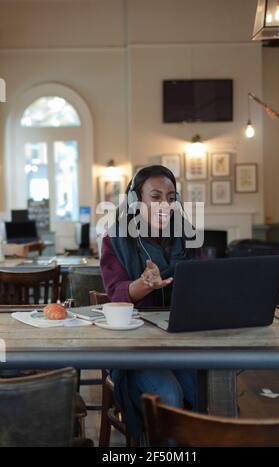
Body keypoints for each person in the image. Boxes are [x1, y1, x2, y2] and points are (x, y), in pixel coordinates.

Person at [100, 165, 204, 441]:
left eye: (171, 197)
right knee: (168, 393)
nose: (165, 204)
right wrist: (144, 284)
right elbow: (116, 293)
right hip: (134, 350)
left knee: (202, 389)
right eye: (155, 196)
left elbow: (206, 283)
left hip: (182, 342)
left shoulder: (189, 236)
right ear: (136, 201)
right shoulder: (115, 239)